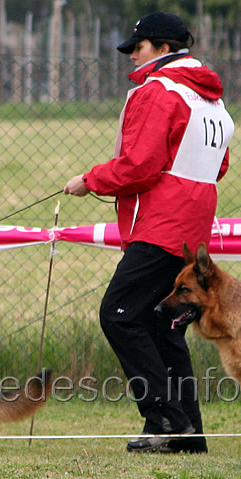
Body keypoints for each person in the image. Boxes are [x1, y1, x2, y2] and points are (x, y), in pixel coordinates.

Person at [64, 12, 234, 454]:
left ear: (162, 48)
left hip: (160, 225)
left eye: (137, 47)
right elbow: (221, 165)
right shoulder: (211, 100)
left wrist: (91, 179)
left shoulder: (158, 91)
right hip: (192, 225)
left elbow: (139, 166)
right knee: (163, 328)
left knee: (119, 314)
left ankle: (165, 419)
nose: (131, 55)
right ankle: (190, 433)